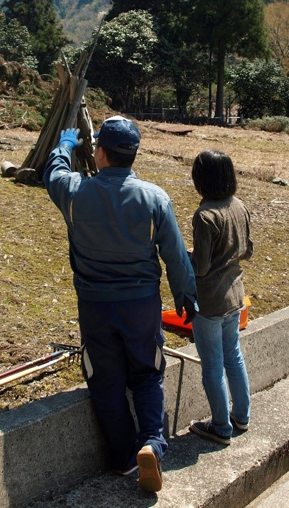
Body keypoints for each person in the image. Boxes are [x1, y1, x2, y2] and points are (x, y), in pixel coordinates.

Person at [44, 115, 198, 493]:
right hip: (142, 305)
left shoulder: (76, 192)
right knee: (147, 373)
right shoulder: (154, 197)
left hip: (94, 305)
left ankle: (124, 458)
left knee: (105, 381)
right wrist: (185, 295)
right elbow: (175, 255)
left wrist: (64, 145)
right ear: (133, 154)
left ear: (100, 153)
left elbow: (53, 172)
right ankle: (152, 442)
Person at [186, 150, 252, 446]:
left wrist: (180, 254)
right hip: (235, 296)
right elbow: (247, 251)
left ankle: (220, 428)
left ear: (201, 180)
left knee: (212, 365)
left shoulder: (204, 216)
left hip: (210, 302)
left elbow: (199, 267)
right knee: (233, 357)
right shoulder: (239, 206)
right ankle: (242, 416)